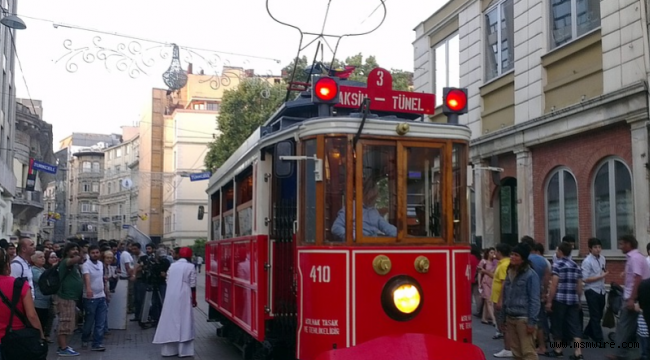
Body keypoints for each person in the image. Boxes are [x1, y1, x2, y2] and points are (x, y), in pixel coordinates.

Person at [607, 235, 650, 360]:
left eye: (621, 244)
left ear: (628, 244)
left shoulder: (635, 258)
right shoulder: (636, 257)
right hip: (638, 296)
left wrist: (632, 298)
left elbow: (637, 278)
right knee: (633, 326)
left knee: (624, 325)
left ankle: (620, 353)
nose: (620, 247)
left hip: (634, 297)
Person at [153, 247, 197, 357]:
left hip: (171, 295)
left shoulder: (172, 266)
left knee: (170, 319)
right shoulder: (190, 266)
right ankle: (184, 350)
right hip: (185, 295)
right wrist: (194, 299)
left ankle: (169, 350)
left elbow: (167, 280)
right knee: (184, 320)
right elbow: (193, 284)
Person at [0, 247, 44, 355]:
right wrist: (41, 335)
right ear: (6, 264)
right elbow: (31, 315)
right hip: (14, 338)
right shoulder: (19, 285)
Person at [500, 243, 540, 360]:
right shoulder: (510, 272)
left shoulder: (531, 275)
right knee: (516, 353)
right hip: (511, 316)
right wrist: (502, 317)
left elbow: (534, 299)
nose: (512, 257)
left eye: (516, 255)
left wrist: (531, 322)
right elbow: (506, 296)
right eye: (512, 254)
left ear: (523, 258)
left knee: (528, 352)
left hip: (524, 318)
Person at [547, 241, 583, 359]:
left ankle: (558, 349)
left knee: (557, 324)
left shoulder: (557, 265)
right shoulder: (576, 265)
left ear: (561, 252)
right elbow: (579, 285)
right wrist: (578, 299)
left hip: (560, 299)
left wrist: (549, 300)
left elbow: (554, 284)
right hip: (572, 299)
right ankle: (578, 352)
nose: (556, 252)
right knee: (575, 326)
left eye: (557, 250)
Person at [331, 178, 397, 239]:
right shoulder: (350, 208)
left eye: (376, 196)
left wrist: (400, 234)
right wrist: (355, 237)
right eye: (374, 197)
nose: (376, 198)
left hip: (371, 245)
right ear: (366, 193)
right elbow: (336, 228)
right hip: (357, 246)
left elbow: (386, 227)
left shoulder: (374, 211)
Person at [56, 242, 84, 357]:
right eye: (72, 249)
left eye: (76, 249)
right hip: (66, 298)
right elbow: (73, 260)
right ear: (67, 251)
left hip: (71, 298)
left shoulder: (74, 266)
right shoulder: (66, 261)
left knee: (69, 323)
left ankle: (63, 345)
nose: (75, 251)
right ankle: (63, 348)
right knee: (65, 323)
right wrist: (79, 255)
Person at [81, 245, 107, 351]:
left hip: (101, 296)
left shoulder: (101, 264)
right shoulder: (85, 265)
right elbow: (86, 277)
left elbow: (102, 278)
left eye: (97, 252)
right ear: (89, 253)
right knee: (89, 321)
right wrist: (88, 289)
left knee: (101, 321)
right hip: (90, 298)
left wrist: (106, 291)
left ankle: (97, 343)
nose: (95, 254)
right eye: (93, 253)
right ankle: (85, 339)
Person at [581, 237, 607, 342]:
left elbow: (603, 270)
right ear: (590, 249)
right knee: (595, 315)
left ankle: (587, 332)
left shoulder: (603, 258)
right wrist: (600, 277)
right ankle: (598, 338)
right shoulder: (587, 261)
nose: (598, 249)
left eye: (599, 247)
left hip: (601, 289)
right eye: (595, 247)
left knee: (599, 314)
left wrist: (603, 275)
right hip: (591, 290)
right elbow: (585, 278)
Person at [31, 251, 52, 343]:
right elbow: (43, 280)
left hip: (46, 300)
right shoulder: (34, 270)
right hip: (38, 301)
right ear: (34, 259)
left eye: (43, 257)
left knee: (45, 320)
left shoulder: (43, 269)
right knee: (40, 320)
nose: (43, 259)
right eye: (40, 257)